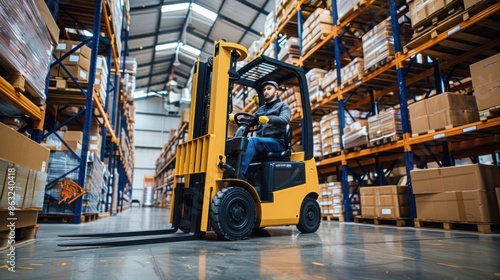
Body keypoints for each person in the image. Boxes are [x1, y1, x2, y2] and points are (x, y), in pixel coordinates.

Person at [234, 80, 291, 179]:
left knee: (252, 141)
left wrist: (269, 119)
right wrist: (236, 119)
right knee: (240, 142)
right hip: (263, 143)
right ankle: (236, 171)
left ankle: (239, 177)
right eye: (264, 89)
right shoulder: (261, 109)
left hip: (277, 142)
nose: (266, 91)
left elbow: (284, 119)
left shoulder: (283, 106)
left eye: (269, 89)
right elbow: (251, 121)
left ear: (276, 91)